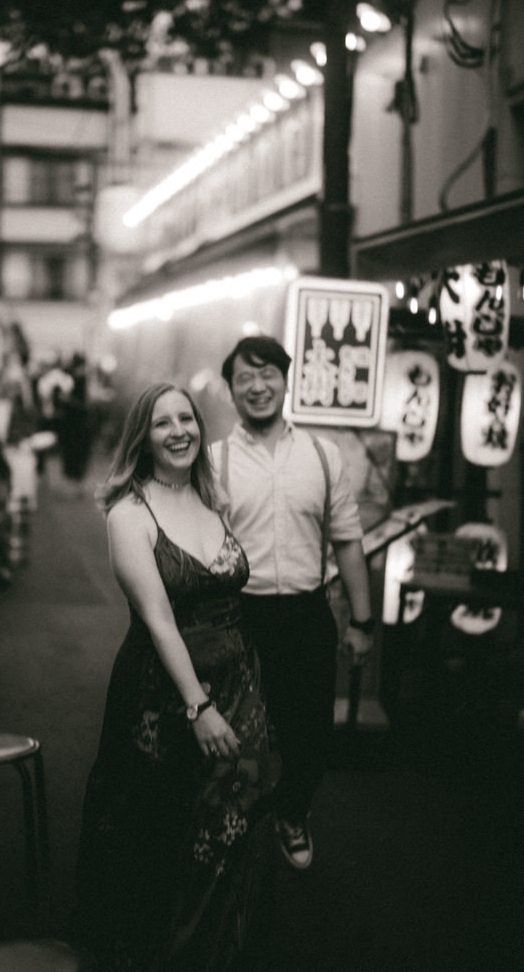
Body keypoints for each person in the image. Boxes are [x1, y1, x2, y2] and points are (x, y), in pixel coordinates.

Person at [73, 383, 276, 972]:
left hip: (239, 681)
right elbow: (160, 620)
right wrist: (198, 706)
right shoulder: (129, 513)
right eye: (163, 423)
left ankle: (220, 952)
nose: (179, 430)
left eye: (186, 418)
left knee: (234, 823)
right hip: (162, 695)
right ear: (144, 436)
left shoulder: (215, 499)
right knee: (160, 831)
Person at [211, 335, 374, 872]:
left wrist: (362, 621)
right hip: (241, 616)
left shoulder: (324, 457)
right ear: (230, 390)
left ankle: (292, 812)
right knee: (236, 732)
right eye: (244, 378)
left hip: (307, 614)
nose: (257, 387)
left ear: (286, 380)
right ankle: (232, 823)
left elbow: (348, 540)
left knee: (310, 735)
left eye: (267, 375)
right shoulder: (216, 463)